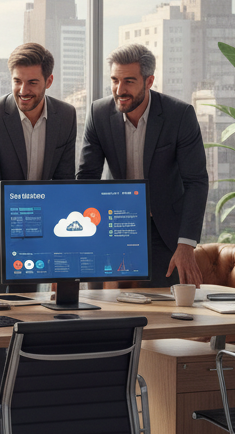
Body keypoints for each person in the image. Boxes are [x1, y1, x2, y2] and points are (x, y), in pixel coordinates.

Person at [0, 41, 77, 405]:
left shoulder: (65, 116)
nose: (22, 90)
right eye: (17, 81)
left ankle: (18, 411)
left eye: (32, 82)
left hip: (36, 237)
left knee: (24, 327)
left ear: (48, 81)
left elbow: (64, 185)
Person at [78, 43, 207, 287]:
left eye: (129, 81)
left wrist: (186, 244)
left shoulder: (179, 115)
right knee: (98, 305)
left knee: (162, 311)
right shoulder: (98, 113)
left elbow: (196, 182)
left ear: (149, 81)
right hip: (112, 225)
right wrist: (82, 236)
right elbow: (87, 177)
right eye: (114, 80)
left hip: (164, 230)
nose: (119, 89)